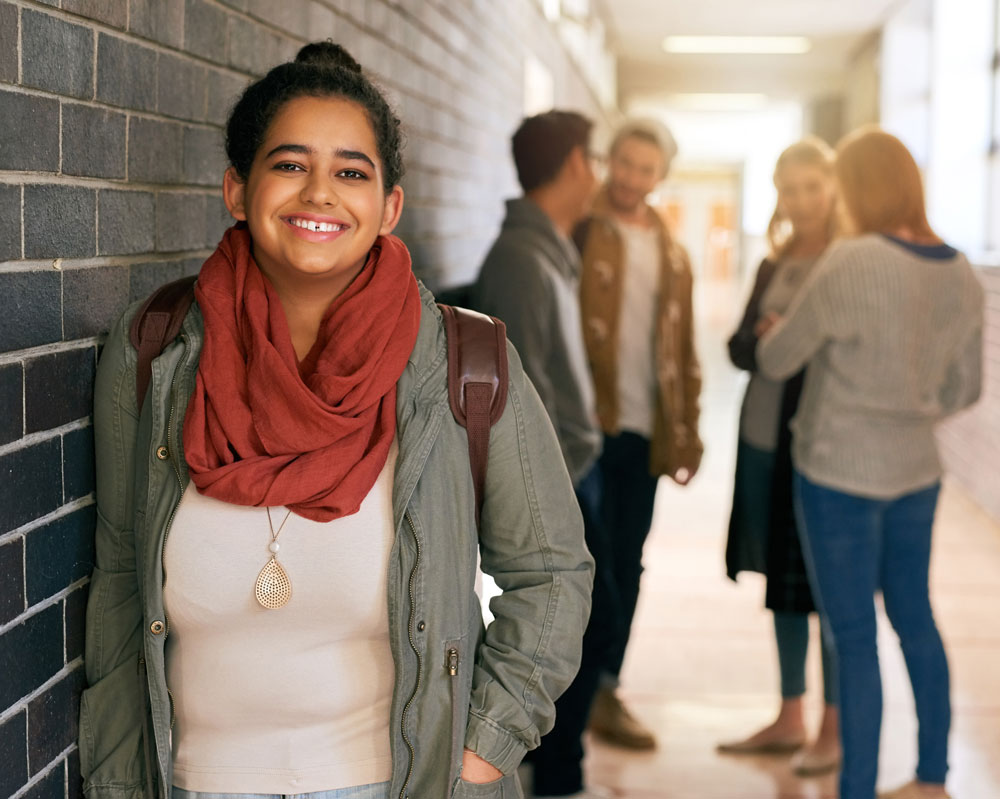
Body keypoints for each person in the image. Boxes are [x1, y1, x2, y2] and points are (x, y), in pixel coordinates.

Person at [79, 41, 594, 799]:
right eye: (290, 165)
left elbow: (552, 571)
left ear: (389, 206)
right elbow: (121, 578)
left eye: (351, 172)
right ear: (237, 188)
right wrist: (119, 775)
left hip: (400, 783)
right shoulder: (153, 351)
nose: (320, 193)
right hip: (195, 781)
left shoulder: (463, 362)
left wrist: (484, 748)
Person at [757, 127, 984, 799]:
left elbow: (777, 360)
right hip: (916, 471)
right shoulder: (962, 270)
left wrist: (778, 330)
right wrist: (911, 400)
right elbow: (964, 389)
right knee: (916, 617)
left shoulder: (851, 261)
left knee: (854, 635)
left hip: (837, 473)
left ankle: (855, 787)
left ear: (855, 190)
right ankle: (932, 778)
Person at [472, 111, 609, 799]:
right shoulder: (522, 261)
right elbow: (523, 411)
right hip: (561, 486)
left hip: (580, 474)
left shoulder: (551, 247)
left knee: (597, 626)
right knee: (578, 628)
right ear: (578, 164)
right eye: (600, 159)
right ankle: (557, 781)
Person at [574, 119, 703, 751]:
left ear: (660, 177)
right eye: (623, 163)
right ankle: (564, 691)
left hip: (644, 431)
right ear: (608, 162)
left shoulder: (672, 250)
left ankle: (603, 689)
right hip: (588, 427)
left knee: (629, 562)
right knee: (583, 565)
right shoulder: (580, 229)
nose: (630, 177)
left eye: (644, 169)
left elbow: (683, 346)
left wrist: (689, 433)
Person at [718, 137, 840, 775]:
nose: (800, 202)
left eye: (811, 188)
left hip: (817, 448)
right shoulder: (776, 262)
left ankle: (834, 728)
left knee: (827, 589)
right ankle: (790, 715)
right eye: (789, 190)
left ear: (833, 186)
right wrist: (764, 337)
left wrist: (793, 339)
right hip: (762, 440)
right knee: (785, 588)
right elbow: (738, 347)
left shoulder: (847, 261)